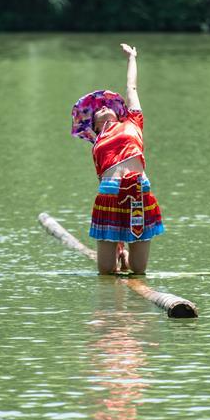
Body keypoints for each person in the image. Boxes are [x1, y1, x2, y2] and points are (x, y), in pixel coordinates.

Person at [70, 43, 165, 275]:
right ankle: (118, 253)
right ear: (93, 124)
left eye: (107, 105)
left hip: (138, 192)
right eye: (98, 110)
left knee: (138, 270)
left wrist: (132, 57)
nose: (103, 107)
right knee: (106, 272)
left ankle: (126, 256)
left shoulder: (132, 121)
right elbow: (100, 176)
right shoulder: (98, 139)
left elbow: (131, 87)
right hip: (110, 194)